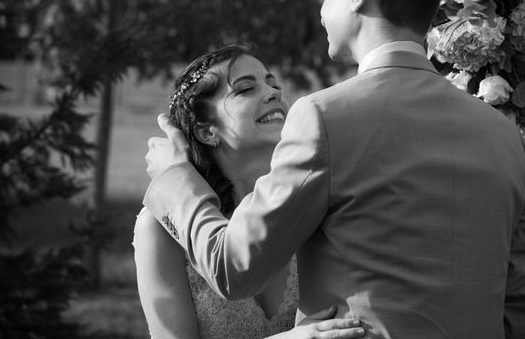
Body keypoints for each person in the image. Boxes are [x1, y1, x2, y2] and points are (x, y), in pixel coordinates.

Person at [144, 0, 525, 338]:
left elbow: (233, 269)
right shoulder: (503, 134)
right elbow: (521, 314)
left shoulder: (323, 117)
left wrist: (175, 176)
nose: (320, 10)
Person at [134, 45, 366, 339]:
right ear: (207, 131)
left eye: (273, 84)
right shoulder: (159, 230)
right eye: (245, 89)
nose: (274, 93)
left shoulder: (309, 201)